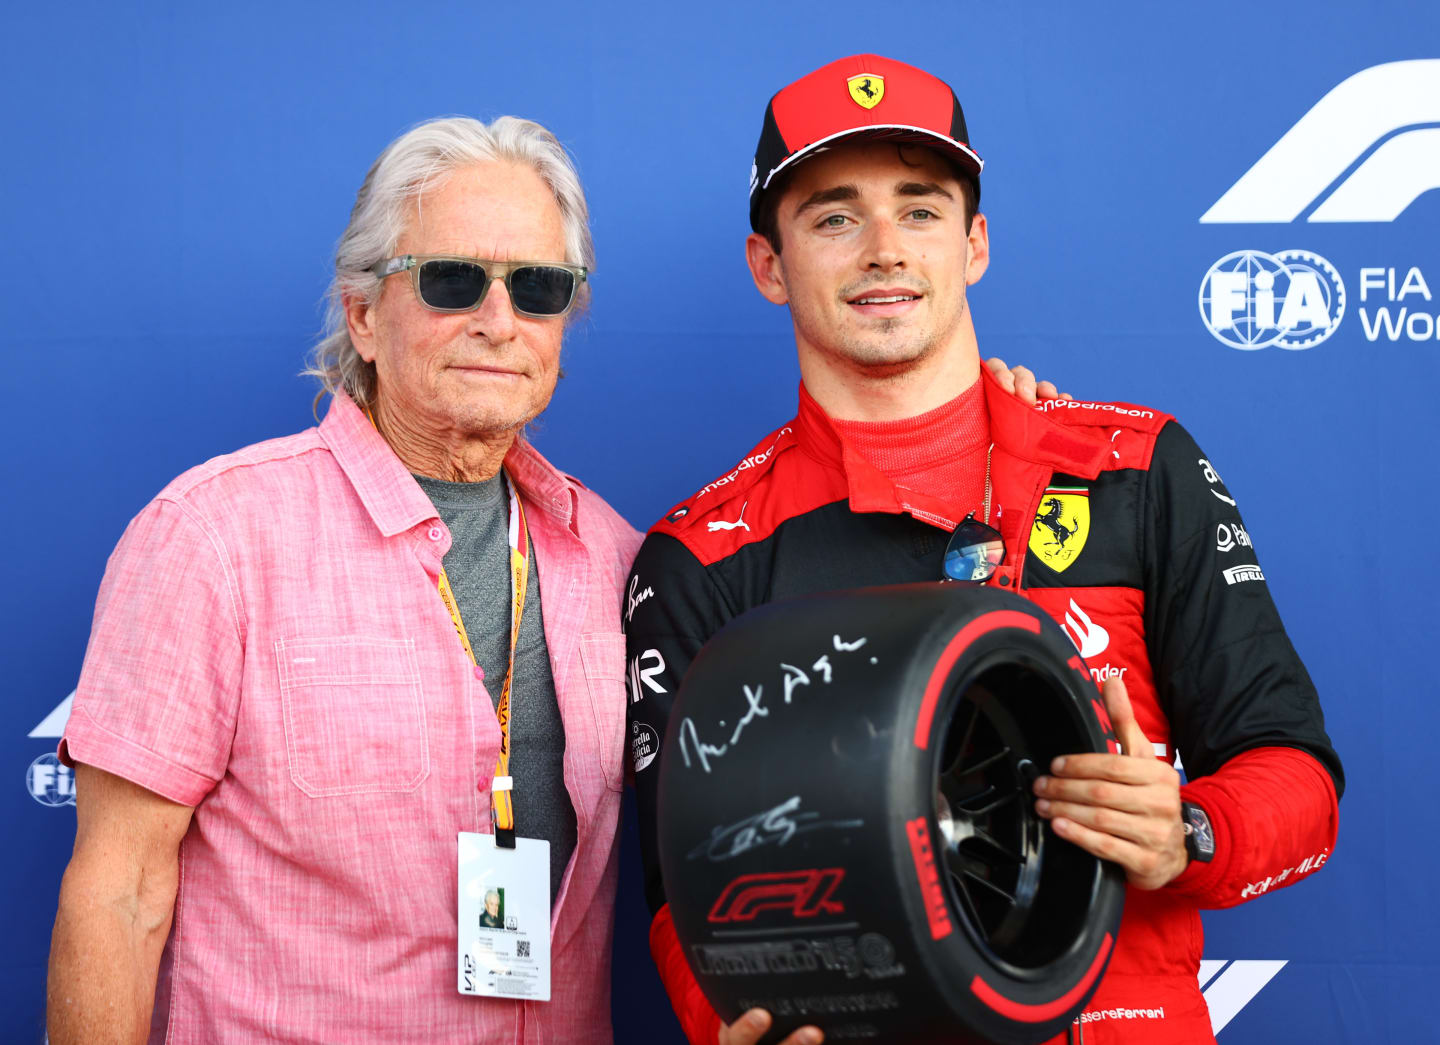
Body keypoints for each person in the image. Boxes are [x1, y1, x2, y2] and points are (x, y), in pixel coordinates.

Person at [623, 55, 1343, 1045]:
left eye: (920, 211)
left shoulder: (1136, 469)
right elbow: (680, 896)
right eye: (834, 216)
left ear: (975, 244)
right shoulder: (700, 556)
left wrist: (1187, 829)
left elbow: (1296, 778)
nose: (884, 248)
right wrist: (730, 1026)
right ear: (768, 265)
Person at [47, 116, 643, 1044]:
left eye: (538, 287)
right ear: (363, 314)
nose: (499, 320)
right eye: (452, 280)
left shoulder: (611, 554)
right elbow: (118, 896)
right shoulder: (213, 536)